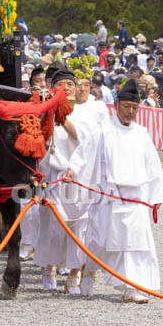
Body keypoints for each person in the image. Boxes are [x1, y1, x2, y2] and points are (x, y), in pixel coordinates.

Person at [83, 78, 163, 303]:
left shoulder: (142, 133)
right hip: (109, 193)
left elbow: (152, 166)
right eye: (127, 106)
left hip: (135, 197)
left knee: (134, 243)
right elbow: (85, 155)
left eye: (135, 108)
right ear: (117, 105)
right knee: (100, 240)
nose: (131, 111)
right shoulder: (103, 131)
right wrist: (74, 171)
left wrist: (155, 195)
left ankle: (131, 287)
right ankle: (89, 269)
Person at [34, 68, 102, 295]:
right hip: (52, 175)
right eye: (60, 85)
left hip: (79, 176)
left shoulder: (86, 112)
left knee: (79, 226)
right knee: (53, 224)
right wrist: (50, 112)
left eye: (69, 85)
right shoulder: (44, 110)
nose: (66, 89)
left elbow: (83, 139)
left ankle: (74, 274)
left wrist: (62, 118)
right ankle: (49, 269)